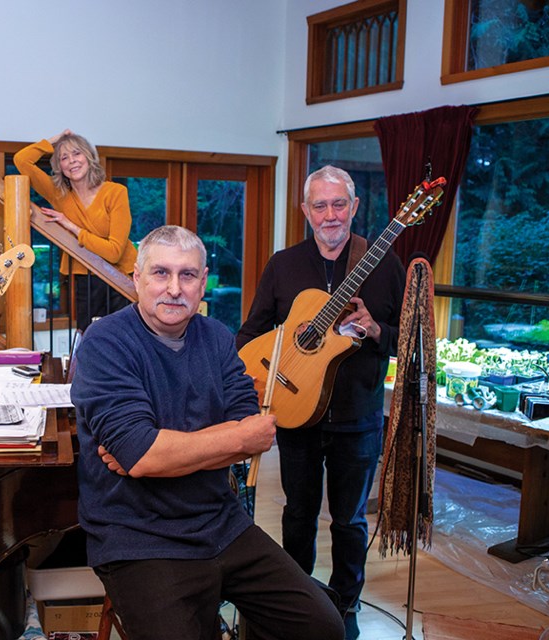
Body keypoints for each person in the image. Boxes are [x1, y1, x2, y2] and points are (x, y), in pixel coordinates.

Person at [70, 225, 345, 640]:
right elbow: (146, 453)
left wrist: (159, 452)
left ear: (203, 283)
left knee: (322, 627)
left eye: (188, 275)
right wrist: (157, 453)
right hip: (138, 537)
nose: (174, 288)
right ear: (137, 279)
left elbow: (250, 428)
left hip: (221, 522)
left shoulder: (217, 337)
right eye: (161, 273)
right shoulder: (105, 342)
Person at [236, 165, 405, 640]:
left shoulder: (383, 263)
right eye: (319, 205)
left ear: (353, 207)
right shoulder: (284, 264)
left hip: (358, 415)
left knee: (350, 521)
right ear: (305, 211)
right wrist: (246, 370)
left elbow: (406, 341)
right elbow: (253, 331)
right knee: (297, 513)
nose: (329, 215)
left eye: (338, 204)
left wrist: (374, 331)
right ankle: (297, 600)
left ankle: (346, 604)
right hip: (295, 414)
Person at [15, 130, 138, 332]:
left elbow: (114, 252)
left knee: (122, 341)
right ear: (60, 167)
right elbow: (22, 160)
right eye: (64, 157)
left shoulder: (115, 192)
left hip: (122, 278)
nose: (72, 161)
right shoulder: (59, 195)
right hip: (85, 277)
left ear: (89, 157)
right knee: (90, 337)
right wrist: (56, 139)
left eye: (77, 153)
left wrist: (71, 227)